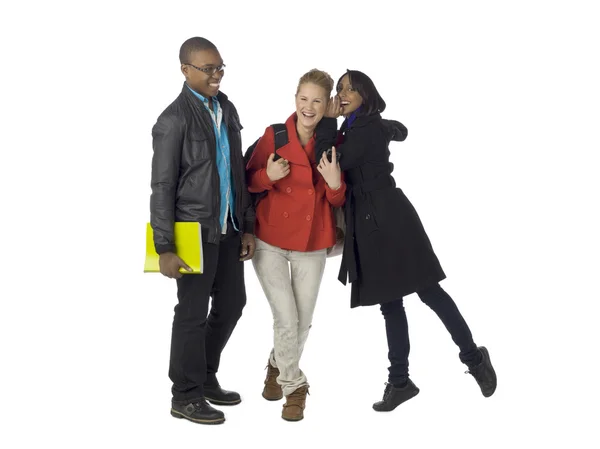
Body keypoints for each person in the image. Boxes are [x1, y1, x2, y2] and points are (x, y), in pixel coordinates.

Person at [315, 70, 497, 412]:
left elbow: (328, 162)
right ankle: (399, 382)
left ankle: (474, 359)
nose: (342, 93)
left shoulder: (363, 127)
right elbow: (385, 134)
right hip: (368, 219)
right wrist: (382, 127)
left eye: (350, 88)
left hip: (389, 216)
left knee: (429, 292)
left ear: (366, 94)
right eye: (339, 89)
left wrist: (326, 121)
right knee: (390, 303)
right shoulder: (356, 125)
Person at [149, 37, 256, 425]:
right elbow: (161, 186)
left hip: (227, 227)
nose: (216, 75)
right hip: (191, 232)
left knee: (232, 305)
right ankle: (185, 395)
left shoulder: (226, 108)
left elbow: (238, 174)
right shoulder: (172, 120)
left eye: (220, 67)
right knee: (192, 314)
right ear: (185, 70)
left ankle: (206, 377)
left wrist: (247, 226)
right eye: (208, 69)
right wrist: (164, 246)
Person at [245, 69, 346, 421]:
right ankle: (294, 386)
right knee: (286, 318)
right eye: (303, 98)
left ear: (326, 104)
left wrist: (334, 185)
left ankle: (276, 365)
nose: (309, 106)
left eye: (317, 100)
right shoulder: (274, 136)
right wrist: (267, 177)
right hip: (269, 238)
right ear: (295, 99)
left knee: (301, 322)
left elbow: (339, 200)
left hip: (312, 240)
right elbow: (248, 182)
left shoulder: (333, 142)